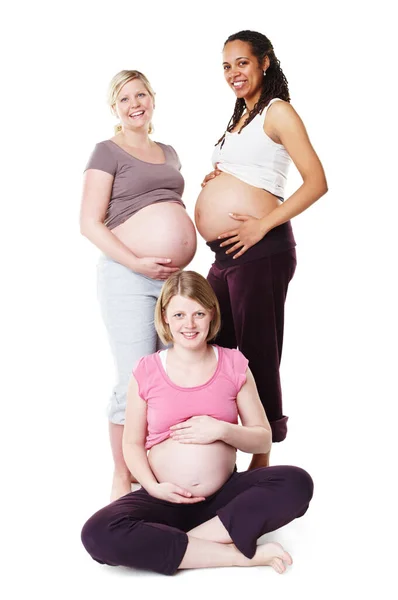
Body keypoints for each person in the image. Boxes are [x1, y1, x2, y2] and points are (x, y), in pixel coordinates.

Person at [81, 271, 313, 575]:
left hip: (224, 498)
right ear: (164, 318)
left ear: (212, 314)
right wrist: (154, 487)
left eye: (198, 314)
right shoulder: (147, 369)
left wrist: (222, 430)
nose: (188, 324)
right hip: (163, 498)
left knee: (296, 482)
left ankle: (176, 546)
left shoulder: (234, 364)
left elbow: (262, 438)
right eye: (179, 314)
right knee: (97, 532)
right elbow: (132, 443)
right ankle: (237, 554)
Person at [195, 30, 328, 469]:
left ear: (265, 63)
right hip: (226, 256)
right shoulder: (239, 116)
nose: (234, 72)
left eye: (243, 63)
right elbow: (249, 171)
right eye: (227, 66)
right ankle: (221, 449)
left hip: (261, 249)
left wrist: (261, 226)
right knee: (220, 351)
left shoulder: (278, 111)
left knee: (255, 352)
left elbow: (316, 182)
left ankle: (262, 457)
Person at [80, 70, 197, 500]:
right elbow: (89, 223)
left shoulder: (169, 152)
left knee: (177, 375)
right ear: (115, 108)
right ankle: (121, 474)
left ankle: (168, 470)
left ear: (152, 99)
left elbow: (169, 202)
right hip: (127, 275)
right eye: (125, 97)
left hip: (171, 283)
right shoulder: (107, 151)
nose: (135, 103)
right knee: (135, 378)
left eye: (141, 94)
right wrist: (136, 262)